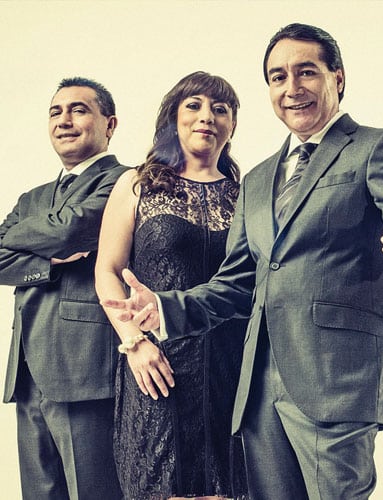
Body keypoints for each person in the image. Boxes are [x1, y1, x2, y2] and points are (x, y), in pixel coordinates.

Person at [102, 23, 383, 500]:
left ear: (337, 77)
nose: (292, 87)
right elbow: (236, 283)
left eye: (306, 72)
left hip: (335, 383)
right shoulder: (257, 179)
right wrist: (163, 308)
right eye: (278, 77)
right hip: (256, 391)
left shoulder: (377, 147)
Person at [95, 72, 246, 499]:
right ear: (173, 118)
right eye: (194, 106)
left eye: (220, 109)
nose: (207, 116)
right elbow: (107, 270)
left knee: (227, 487)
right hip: (156, 364)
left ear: (232, 125)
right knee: (160, 485)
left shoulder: (247, 195)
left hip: (230, 367)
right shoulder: (137, 183)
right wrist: (134, 343)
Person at [0, 77, 126, 499]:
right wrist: (48, 263)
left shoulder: (123, 182)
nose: (64, 120)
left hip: (84, 368)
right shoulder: (31, 198)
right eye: (56, 112)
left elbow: (71, 230)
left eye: (78, 110)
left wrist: (18, 236)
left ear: (109, 124)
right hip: (27, 371)